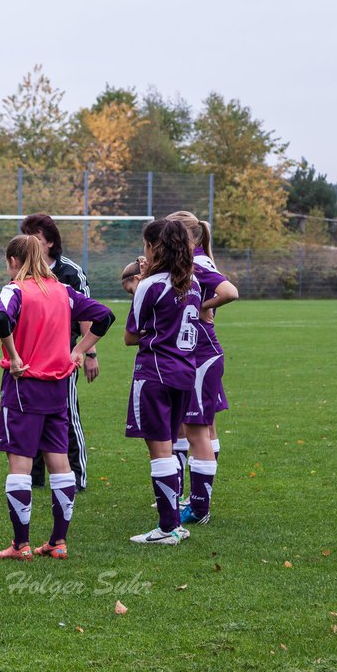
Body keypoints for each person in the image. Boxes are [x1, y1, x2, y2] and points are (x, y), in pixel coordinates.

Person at [0, 236, 114, 561]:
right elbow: (105, 316)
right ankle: (58, 541)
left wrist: (15, 356)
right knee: (59, 463)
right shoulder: (63, 291)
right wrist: (79, 350)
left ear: (15, 262)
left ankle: (21, 545)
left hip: (24, 387)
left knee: (19, 463)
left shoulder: (14, 289)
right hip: (58, 387)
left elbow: (1, 318)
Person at [124, 218, 206, 546]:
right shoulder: (195, 284)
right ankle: (174, 522)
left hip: (155, 374)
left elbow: (131, 336)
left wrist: (137, 288)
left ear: (153, 247)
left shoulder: (150, 285)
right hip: (185, 373)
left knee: (159, 450)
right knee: (170, 447)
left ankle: (168, 528)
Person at [167, 211, 239, 526]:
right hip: (204, 352)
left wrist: (200, 307)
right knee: (203, 428)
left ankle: (198, 508)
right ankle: (197, 498)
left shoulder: (196, 263)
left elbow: (230, 292)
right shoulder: (196, 261)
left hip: (201, 354)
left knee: (196, 429)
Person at [19, 214, 97, 491]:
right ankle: (35, 476)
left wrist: (89, 353)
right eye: (28, 239)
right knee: (31, 414)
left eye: (37, 239)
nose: (32, 244)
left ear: (50, 242)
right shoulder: (22, 273)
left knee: (67, 411)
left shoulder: (70, 273)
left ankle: (76, 476)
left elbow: (90, 313)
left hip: (63, 357)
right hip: (30, 358)